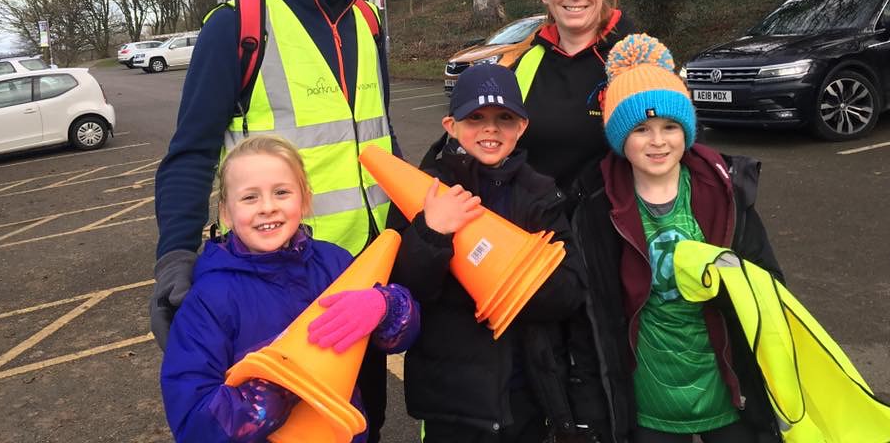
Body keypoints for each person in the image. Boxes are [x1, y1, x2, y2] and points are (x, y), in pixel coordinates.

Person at [150, 0, 398, 440]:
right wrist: (173, 258)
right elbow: (190, 154)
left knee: (362, 422)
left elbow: (379, 140)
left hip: (359, 278)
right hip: (274, 284)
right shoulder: (239, 23)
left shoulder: (368, 20)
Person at [575, 33, 783, 443]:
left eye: (670, 126)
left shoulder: (726, 194)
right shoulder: (597, 209)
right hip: (649, 401)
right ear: (619, 137)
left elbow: (769, 283)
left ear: (686, 129)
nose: (657, 141)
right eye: (641, 128)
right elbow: (592, 314)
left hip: (729, 390)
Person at [160, 135, 419, 443]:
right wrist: (281, 386)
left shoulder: (335, 264)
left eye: (282, 192)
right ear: (226, 213)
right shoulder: (210, 297)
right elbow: (193, 421)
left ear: (304, 200)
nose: (268, 207)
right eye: (249, 197)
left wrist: (386, 305)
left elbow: (400, 337)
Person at [387, 63, 589, 443]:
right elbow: (403, 291)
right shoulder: (421, 192)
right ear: (450, 125)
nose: (490, 129)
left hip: (525, 394)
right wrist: (431, 232)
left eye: (504, 118)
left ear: (522, 127)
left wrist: (509, 281)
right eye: (475, 117)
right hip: (453, 399)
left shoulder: (541, 196)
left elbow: (572, 289)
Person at [513, 0, 638, 205]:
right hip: (538, 234)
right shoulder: (525, 66)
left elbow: (674, 147)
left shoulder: (637, 60)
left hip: (613, 237)